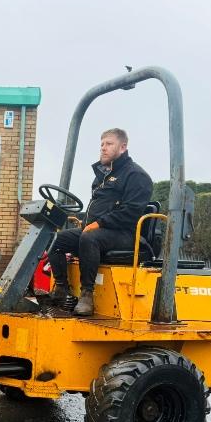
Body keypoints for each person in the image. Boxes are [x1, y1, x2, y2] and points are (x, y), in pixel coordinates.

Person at [48, 128, 153, 316]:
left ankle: (87, 295)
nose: (103, 148)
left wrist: (98, 224)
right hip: (99, 231)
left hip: (125, 234)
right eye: (102, 144)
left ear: (123, 147)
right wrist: (86, 223)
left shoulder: (135, 175)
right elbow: (96, 207)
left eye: (109, 144)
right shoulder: (102, 175)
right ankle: (62, 288)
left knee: (89, 237)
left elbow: (129, 212)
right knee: (57, 239)